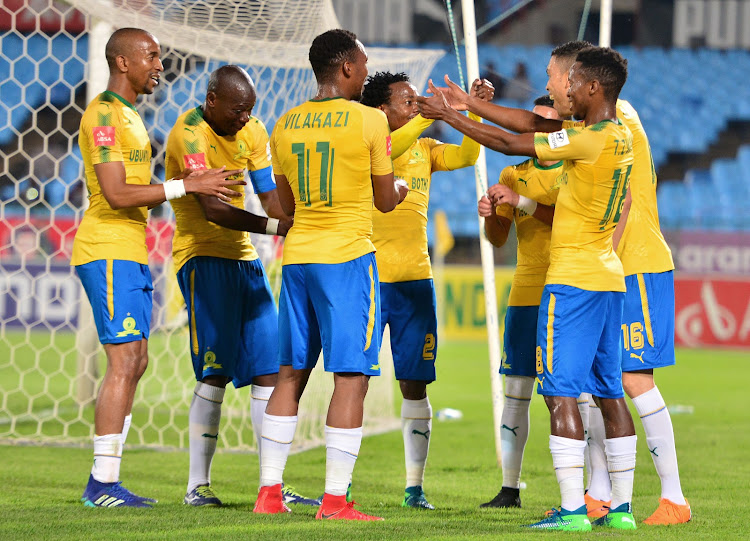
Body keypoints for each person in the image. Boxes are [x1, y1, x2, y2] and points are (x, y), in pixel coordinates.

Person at [417, 46, 638, 531]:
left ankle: (573, 511)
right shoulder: (618, 134)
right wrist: (468, 105)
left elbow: (511, 142)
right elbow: (528, 122)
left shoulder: (588, 140)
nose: (565, 91)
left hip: (572, 281)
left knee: (559, 393)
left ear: (592, 89)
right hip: (608, 278)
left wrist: (449, 116)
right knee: (609, 393)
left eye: (570, 83)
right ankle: (620, 512)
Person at [73, 27, 243, 508]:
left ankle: (107, 480)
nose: (159, 65)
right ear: (122, 62)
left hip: (129, 247)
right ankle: (102, 484)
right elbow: (117, 194)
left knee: (137, 361)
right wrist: (186, 187)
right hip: (107, 246)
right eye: (150, 56)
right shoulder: (104, 114)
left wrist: (188, 183)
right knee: (124, 361)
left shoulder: (129, 116)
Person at [252, 29, 408, 521]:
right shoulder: (369, 120)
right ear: (345, 68)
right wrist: (400, 186)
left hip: (297, 258)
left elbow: (285, 206)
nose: (366, 71)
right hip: (347, 261)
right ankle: (335, 501)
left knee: (289, 373)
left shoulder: (285, 123)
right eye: (363, 64)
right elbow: (384, 202)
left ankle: (269, 494)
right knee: (351, 377)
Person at [545, 41, 690, 526]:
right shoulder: (591, 121)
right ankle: (600, 492)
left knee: (632, 378)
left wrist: (602, 251)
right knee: (593, 382)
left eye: (557, 78)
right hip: (609, 268)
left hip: (636, 262)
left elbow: (625, 199)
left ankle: (674, 497)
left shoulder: (616, 119)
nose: (553, 87)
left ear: (580, 80)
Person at [164, 65, 318, 508]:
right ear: (212, 99)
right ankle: (198, 485)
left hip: (245, 261)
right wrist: (275, 227)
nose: (245, 118)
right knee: (214, 371)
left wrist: (294, 219)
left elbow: (268, 192)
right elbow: (213, 210)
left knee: (269, 369)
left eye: (250, 110)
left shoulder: (252, 130)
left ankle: (272, 482)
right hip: (202, 257)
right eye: (237, 110)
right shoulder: (188, 134)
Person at [360, 71, 491, 510]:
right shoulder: (369, 142)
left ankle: (414, 487)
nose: (417, 107)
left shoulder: (426, 148)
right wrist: (437, 113)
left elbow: (470, 156)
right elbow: (388, 147)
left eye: (419, 101)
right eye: (409, 101)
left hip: (416, 280)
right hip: (370, 280)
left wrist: (466, 111)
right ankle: (338, 486)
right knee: (353, 381)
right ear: (383, 111)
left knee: (415, 384)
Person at [476, 96, 563, 509]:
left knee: (571, 394)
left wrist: (520, 202)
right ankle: (509, 488)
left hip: (568, 290)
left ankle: (588, 493)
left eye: (550, 125)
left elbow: (567, 218)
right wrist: (491, 213)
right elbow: (497, 240)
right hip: (526, 291)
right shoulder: (514, 172)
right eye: (536, 125)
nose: (542, 132)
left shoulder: (575, 167)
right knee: (516, 391)